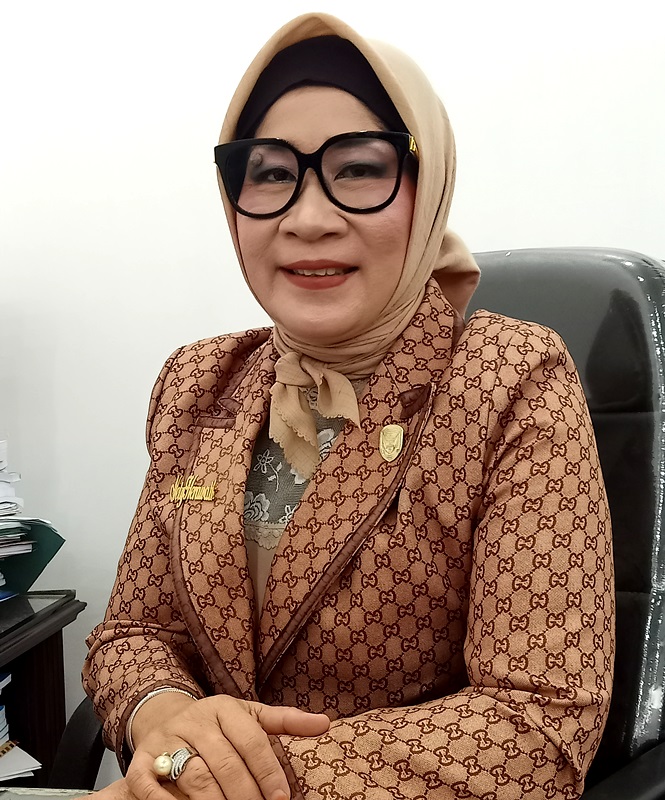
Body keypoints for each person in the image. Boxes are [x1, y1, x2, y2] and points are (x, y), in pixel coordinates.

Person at [84, 11, 614, 800]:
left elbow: (537, 725)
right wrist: (160, 714)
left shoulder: (508, 379)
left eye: (359, 169)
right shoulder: (198, 383)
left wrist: (214, 779)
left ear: (426, 189)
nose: (307, 218)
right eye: (270, 174)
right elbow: (135, 631)